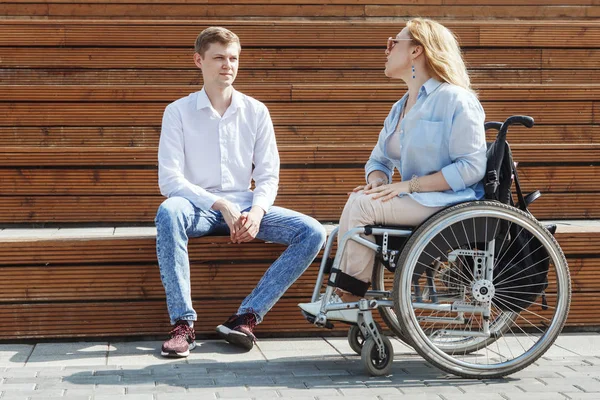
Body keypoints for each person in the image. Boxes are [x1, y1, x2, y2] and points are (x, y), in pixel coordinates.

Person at [299, 18, 487, 322]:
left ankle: (348, 297)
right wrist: (376, 182)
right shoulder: (401, 106)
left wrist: (408, 186)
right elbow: (378, 161)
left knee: (361, 206)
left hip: (450, 202)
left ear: (416, 51)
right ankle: (344, 295)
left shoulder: (456, 99)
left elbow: (471, 168)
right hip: (418, 200)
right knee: (360, 198)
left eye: (393, 42)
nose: (386, 49)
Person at [156, 26, 326, 356]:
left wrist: (258, 211)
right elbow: (170, 180)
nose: (227, 65)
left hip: (246, 204)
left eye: (233, 58)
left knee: (313, 232)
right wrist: (219, 204)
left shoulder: (256, 111)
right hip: (198, 206)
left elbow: (268, 176)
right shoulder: (177, 111)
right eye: (218, 57)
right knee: (169, 211)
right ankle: (183, 325)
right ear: (198, 60)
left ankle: (245, 318)